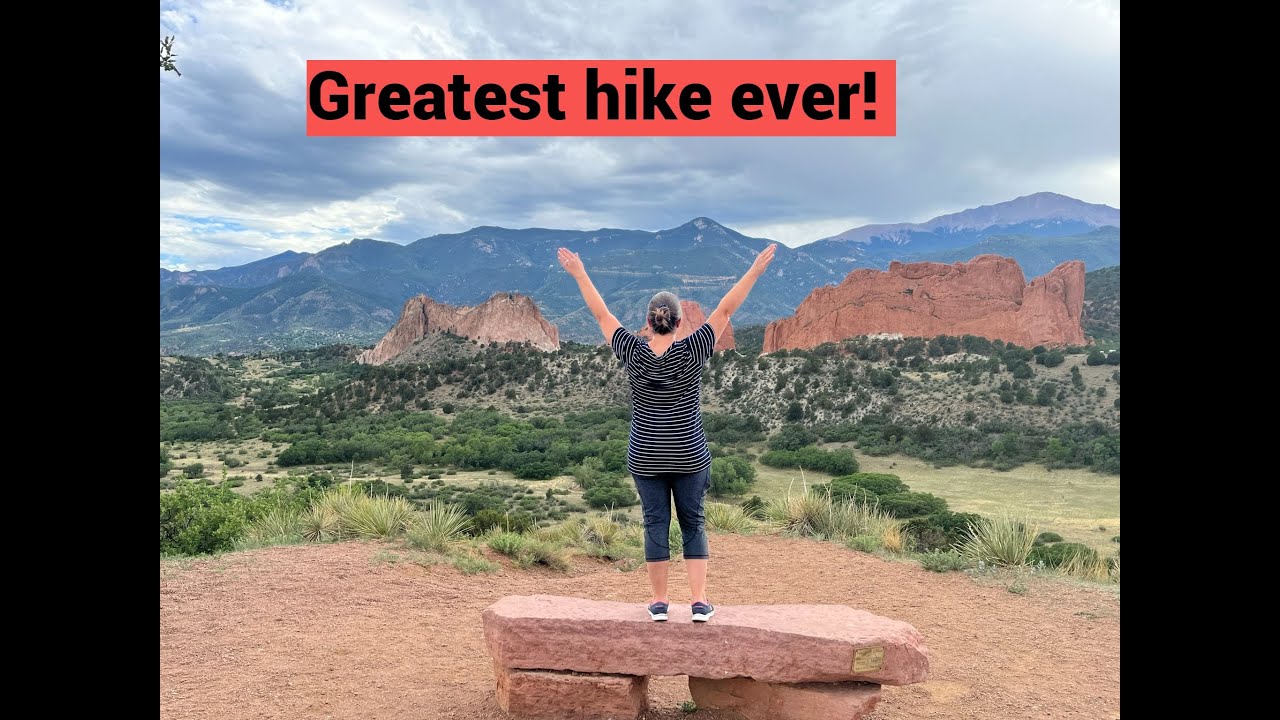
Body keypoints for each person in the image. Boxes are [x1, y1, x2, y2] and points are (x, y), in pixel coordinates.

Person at [557, 243, 777, 622]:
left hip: (645, 456)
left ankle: (659, 603)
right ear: (678, 322)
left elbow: (600, 313)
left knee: (654, 521)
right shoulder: (694, 350)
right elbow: (726, 308)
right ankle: (698, 602)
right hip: (689, 455)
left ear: (647, 322)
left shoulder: (632, 350)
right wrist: (755, 269)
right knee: (693, 522)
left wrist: (579, 272)